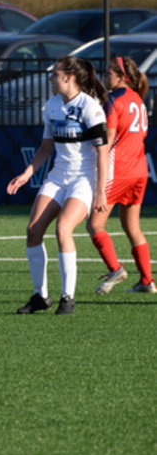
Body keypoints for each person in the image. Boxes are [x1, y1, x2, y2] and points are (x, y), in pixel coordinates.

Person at [7, 56, 109, 315]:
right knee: (33, 231)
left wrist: (100, 192)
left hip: (83, 179)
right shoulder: (52, 104)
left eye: (55, 74)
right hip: (58, 176)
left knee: (63, 229)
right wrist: (27, 173)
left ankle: (67, 297)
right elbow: (46, 147)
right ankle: (40, 296)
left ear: (69, 77)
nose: (51, 78)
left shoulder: (90, 107)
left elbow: (102, 153)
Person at [87, 55, 157, 294]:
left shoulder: (113, 100)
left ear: (121, 76)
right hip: (139, 171)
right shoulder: (138, 98)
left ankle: (115, 269)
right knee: (133, 228)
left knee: (95, 225)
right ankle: (147, 281)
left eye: (109, 73)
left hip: (118, 171)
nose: (105, 76)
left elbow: (108, 139)